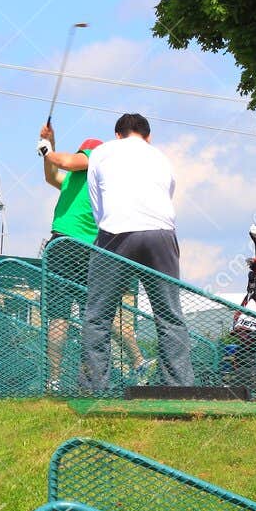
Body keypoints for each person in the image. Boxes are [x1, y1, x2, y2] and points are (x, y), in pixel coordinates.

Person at [80, 113, 192, 392]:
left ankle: (97, 387)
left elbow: (97, 202)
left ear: (117, 135)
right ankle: (179, 386)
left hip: (116, 233)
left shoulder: (102, 152)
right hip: (161, 234)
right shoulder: (160, 157)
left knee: (98, 315)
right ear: (147, 136)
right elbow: (168, 193)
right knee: (169, 314)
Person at [39, 127, 151, 388]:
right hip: (87, 250)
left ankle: (53, 380)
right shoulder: (94, 181)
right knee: (99, 314)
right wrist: (50, 144)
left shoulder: (89, 162)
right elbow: (52, 174)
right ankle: (137, 362)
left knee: (59, 317)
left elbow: (64, 162)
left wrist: (48, 149)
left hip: (62, 245)